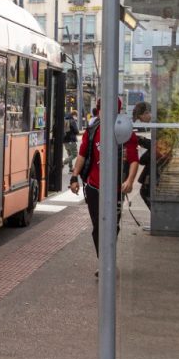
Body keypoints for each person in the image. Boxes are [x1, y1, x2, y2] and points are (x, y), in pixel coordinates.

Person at [69, 98, 139, 274]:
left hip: (116, 189)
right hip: (94, 186)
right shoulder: (92, 130)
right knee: (98, 228)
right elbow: (82, 156)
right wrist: (74, 177)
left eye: (108, 110)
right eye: (101, 109)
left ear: (117, 112)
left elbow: (133, 160)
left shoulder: (124, 132)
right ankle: (105, 264)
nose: (103, 113)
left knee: (112, 226)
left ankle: (108, 263)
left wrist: (129, 181)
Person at [131, 102, 153, 209]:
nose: (141, 122)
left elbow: (158, 144)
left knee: (145, 191)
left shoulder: (157, 121)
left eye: (140, 119)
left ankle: (158, 218)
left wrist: (140, 139)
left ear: (146, 113)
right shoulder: (156, 122)